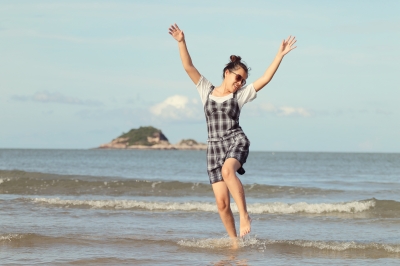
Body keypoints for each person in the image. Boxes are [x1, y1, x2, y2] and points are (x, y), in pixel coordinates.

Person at [168, 23, 296, 243]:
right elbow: (188, 67)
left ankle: (245, 216)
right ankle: (235, 241)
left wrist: (279, 55)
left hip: (235, 140)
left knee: (229, 171)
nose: (240, 83)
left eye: (243, 81)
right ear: (227, 73)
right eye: (238, 78)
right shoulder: (205, 90)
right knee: (221, 204)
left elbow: (265, 79)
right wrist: (181, 42)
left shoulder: (240, 96)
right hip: (213, 149)